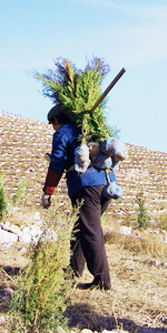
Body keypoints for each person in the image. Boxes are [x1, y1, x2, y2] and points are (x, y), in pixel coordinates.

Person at [42, 104, 112, 290]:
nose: (53, 128)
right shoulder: (90, 126)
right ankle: (72, 271)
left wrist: (48, 191)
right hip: (107, 183)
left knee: (90, 231)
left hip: (87, 185)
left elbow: (57, 164)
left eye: (52, 124)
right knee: (82, 226)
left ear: (56, 120)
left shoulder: (63, 132)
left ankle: (102, 281)